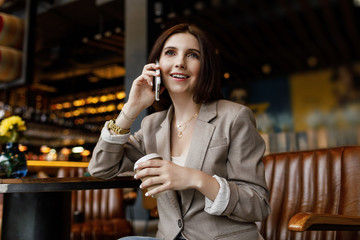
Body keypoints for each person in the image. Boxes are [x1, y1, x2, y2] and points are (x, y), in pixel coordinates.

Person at [88, 23, 271, 240]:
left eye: (192, 55)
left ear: (206, 66)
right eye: (170, 53)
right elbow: (100, 168)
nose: (180, 63)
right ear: (156, 65)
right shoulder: (152, 126)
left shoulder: (234, 117)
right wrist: (131, 108)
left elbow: (258, 205)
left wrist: (196, 179)